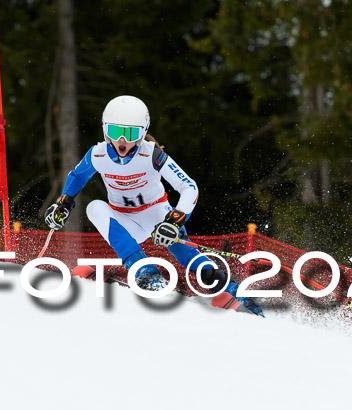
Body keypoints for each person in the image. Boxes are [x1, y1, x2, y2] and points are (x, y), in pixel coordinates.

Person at [44, 95, 262, 314]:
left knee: (186, 254)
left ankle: (232, 290)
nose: (121, 140)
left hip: (157, 216)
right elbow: (78, 176)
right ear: (104, 130)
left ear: (142, 132)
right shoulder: (97, 154)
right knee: (94, 208)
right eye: (114, 131)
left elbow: (189, 187)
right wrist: (63, 204)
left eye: (130, 133)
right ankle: (145, 272)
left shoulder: (152, 154)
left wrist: (175, 220)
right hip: (125, 221)